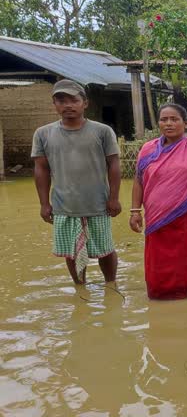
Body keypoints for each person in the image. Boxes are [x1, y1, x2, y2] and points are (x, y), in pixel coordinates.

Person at [32, 79, 122, 286]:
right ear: (54, 105)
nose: (68, 105)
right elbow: (41, 169)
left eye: (74, 100)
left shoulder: (102, 131)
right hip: (64, 204)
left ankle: (111, 285)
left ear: (85, 103)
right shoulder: (43, 133)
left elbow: (114, 165)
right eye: (61, 101)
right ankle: (80, 287)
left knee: (105, 249)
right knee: (71, 252)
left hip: (98, 203)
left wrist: (114, 198)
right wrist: (44, 203)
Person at [129, 103, 187, 300]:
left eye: (174, 119)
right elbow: (138, 181)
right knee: (159, 258)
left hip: (186, 216)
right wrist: (135, 210)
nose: (168, 123)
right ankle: (162, 293)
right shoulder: (147, 149)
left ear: (185, 123)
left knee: (186, 258)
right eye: (164, 119)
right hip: (156, 217)